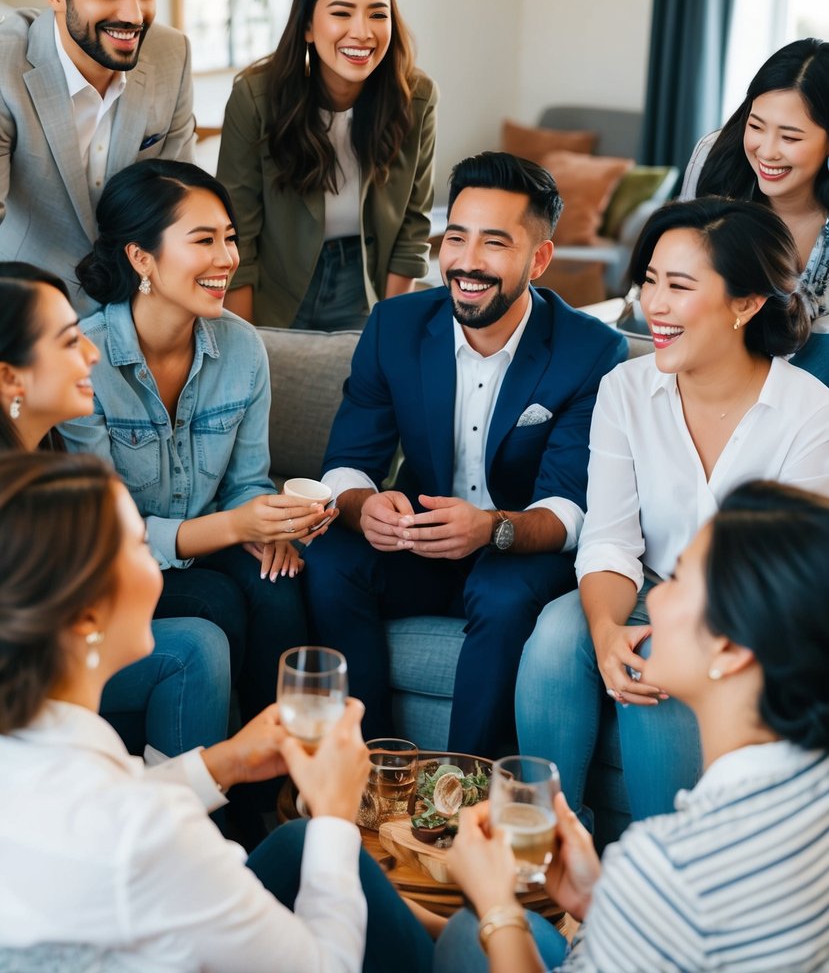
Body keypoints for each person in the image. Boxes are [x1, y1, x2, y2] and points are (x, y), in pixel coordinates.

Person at [0, 451, 436, 973]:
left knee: (297, 846)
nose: (157, 562)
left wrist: (223, 763)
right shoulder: (158, 840)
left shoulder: (46, 750)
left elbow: (98, 812)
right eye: (138, 546)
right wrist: (335, 815)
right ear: (87, 613)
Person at [516, 197, 829, 827]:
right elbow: (607, 540)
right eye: (649, 280)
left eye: (679, 286)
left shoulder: (809, 413)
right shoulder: (625, 390)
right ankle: (544, 850)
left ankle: (664, 864)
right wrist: (606, 633)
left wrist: (671, 632)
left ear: (746, 302)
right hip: (644, 586)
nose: (652, 305)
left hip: (748, 614)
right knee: (557, 634)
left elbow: (788, 583)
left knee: (658, 668)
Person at [304, 152, 627, 755]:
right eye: (456, 237)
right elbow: (348, 462)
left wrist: (490, 530)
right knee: (332, 562)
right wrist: (361, 506)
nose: (467, 263)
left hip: (517, 545)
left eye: (495, 244)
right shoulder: (394, 326)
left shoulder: (592, 351)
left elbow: (571, 507)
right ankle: (374, 765)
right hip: (418, 543)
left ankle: (463, 786)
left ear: (539, 259)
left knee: (504, 597)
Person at [434, 480, 829, 972]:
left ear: (730, 649)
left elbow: (679, 900)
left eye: (678, 579)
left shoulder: (669, 867)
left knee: (469, 933)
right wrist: (600, 902)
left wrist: (494, 905)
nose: (654, 597)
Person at [60, 161, 329, 776]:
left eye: (230, 238)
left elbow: (247, 482)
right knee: (214, 602)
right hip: (118, 565)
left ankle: (283, 786)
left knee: (282, 586)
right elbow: (110, 531)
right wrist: (240, 527)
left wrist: (275, 524)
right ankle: (209, 799)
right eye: (203, 240)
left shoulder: (241, 348)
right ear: (143, 259)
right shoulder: (86, 361)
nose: (227, 257)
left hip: (211, 541)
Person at [0, 260, 231, 760]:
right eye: (67, 341)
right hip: (25, 686)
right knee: (196, 644)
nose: (90, 353)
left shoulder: (48, 453)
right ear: (9, 377)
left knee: (227, 602)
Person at [217, 0, 437, 331]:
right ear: (307, 26)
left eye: (377, 14)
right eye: (341, 13)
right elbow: (237, 234)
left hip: (365, 281)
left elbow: (413, 226)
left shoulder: (415, 98)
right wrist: (246, 341)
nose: (362, 32)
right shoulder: (255, 97)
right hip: (276, 283)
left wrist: (389, 328)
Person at [0, 0, 195, 315]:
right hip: (26, 315)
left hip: (138, 308)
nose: (133, 14)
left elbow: (179, 206)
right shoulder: (5, 64)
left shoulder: (172, 54)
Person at [681, 38, 829, 381]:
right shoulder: (716, 157)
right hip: (717, 358)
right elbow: (682, 266)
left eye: (790, 138)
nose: (766, 151)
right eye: (756, 126)